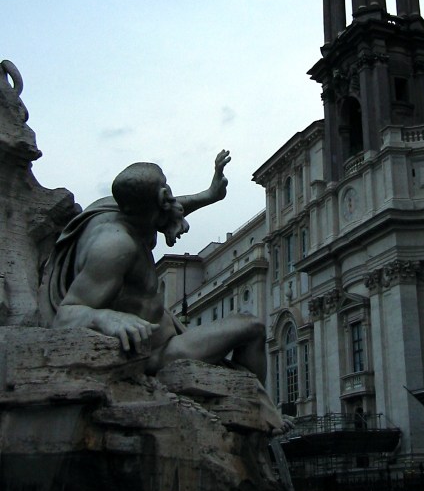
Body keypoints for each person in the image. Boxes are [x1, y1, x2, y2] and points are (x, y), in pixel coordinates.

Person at [42, 150, 290, 433]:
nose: (173, 202)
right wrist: (107, 318)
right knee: (253, 327)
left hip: (167, 330)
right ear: (159, 200)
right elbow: (65, 315)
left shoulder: (121, 208)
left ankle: (254, 405)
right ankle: (257, 417)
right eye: (167, 193)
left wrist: (209, 195)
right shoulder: (115, 247)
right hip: (158, 352)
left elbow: (171, 206)